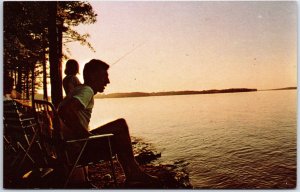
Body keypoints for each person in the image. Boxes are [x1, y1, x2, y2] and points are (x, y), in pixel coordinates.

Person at [58, 59, 160, 186]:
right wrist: (85, 135)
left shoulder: (78, 90)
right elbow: (66, 111)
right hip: (79, 150)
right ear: (93, 76)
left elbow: (61, 110)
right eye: (104, 76)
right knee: (120, 125)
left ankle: (132, 173)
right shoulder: (87, 90)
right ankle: (134, 173)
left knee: (118, 132)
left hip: (67, 148)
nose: (108, 81)